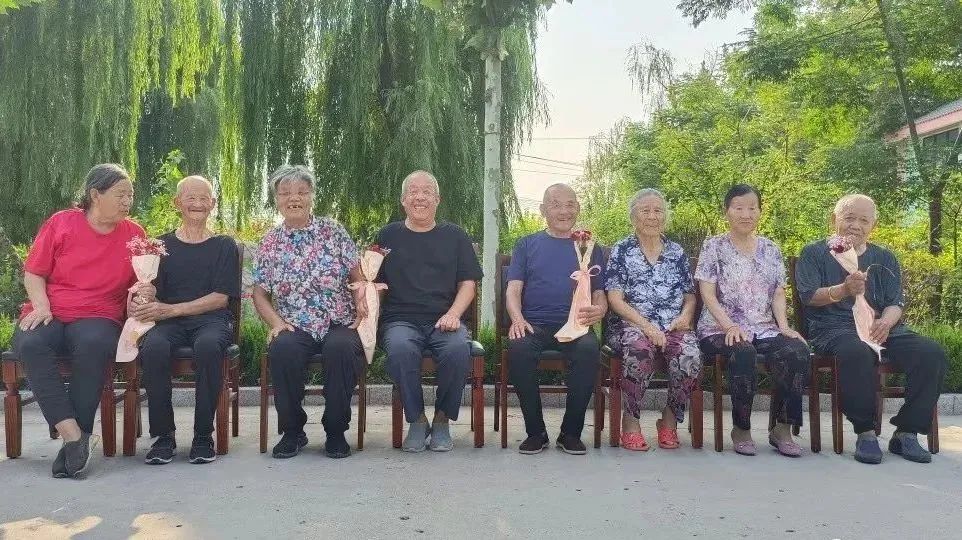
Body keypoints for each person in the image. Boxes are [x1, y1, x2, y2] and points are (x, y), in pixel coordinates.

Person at [12, 163, 147, 478]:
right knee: (30, 343)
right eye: (121, 194)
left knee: (94, 344)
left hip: (100, 313)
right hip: (52, 308)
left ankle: (74, 445)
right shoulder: (62, 223)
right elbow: (34, 272)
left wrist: (143, 293)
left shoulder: (135, 234)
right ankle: (74, 436)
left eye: (130, 195)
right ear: (95, 194)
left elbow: (139, 284)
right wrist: (41, 305)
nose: (128, 201)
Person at [795, 194, 947, 464]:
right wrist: (843, 290)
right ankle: (865, 432)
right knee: (856, 352)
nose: (856, 225)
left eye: (864, 220)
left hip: (881, 327)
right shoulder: (815, 253)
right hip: (834, 327)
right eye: (849, 218)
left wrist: (886, 322)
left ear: (873, 226)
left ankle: (907, 432)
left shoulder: (884, 257)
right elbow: (808, 296)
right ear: (834, 219)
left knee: (931, 353)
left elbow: (895, 303)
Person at [252, 165, 367, 459]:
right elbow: (260, 294)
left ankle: (336, 431)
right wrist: (276, 323)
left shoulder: (333, 231)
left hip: (338, 320)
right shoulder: (270, 242)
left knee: (341, 349)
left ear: (312, 196)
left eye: (302, 192)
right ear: (276, 200)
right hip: (294, 323)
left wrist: (361, 302)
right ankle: (292, 432)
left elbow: (357, 278)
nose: (294, 198)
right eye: (285, 193)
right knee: (283, 350)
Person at [695, 184, 810, 457]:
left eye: (752, 208)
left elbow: (778, 293)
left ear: (759, 211)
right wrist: (729, 325)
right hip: (718, 328)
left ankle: (782, 428)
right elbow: (707, 293)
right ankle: (741, 428)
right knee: (743, 351)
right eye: (738, 208)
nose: (746, 214)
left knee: (796, 350)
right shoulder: (714, 246)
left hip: (763, 327)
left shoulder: (771, 249)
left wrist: (784, 327)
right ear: (727, 212)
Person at [134, 176, 240, 465]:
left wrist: (171, 310)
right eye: (190, 198)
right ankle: (163, 436)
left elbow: (220, 298)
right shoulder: (160, 246)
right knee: (153, 347)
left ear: (213, 204)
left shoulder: (224, 245)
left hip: (211, 320)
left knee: (208, 347)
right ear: (177, 203)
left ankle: (203, 436)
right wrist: (146, 292)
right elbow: (154, 291)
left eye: (204, 198)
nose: (197, 204)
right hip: (169, 324)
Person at [376, 170, 483, 452]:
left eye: (427, 192)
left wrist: (454, 314)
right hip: (400, 320)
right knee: (400, 349)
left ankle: (442, 420)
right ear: (403, 200)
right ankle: (417, 420)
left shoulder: (455, 236)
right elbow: (374, 281)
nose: (420, 197)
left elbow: (468, 284)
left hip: (445, 319)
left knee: (457, 349)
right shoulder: (387, 235)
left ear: (438, 199)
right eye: (413, 191)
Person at [506, 183, 607, 455]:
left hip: (577, 324)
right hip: (534, 324)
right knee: (518, 348)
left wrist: (600, 310)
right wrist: (517, 319)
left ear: (578, 208)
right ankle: (535, 433)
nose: (564, 211)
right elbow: (513, 289)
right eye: (556, 205)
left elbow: (599, 292)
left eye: (570, 205)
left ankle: (570, 433)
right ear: (543, 210)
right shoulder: (526, 244)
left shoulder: (588, 246)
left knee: (588, 348)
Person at [606, 189, 698, 452]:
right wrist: (646, 326)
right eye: (645, 211)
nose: (652, 216)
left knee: (690, 355)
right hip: (631, 324)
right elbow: (615, 299)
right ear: (633, 217)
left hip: (672, 324)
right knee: (639, 351)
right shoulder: (622, 250)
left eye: (658, 211)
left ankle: (669, 419)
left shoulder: (676, 252)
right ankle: (630, 421)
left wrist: (685, 316)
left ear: (665, 216)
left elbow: (690, 296)